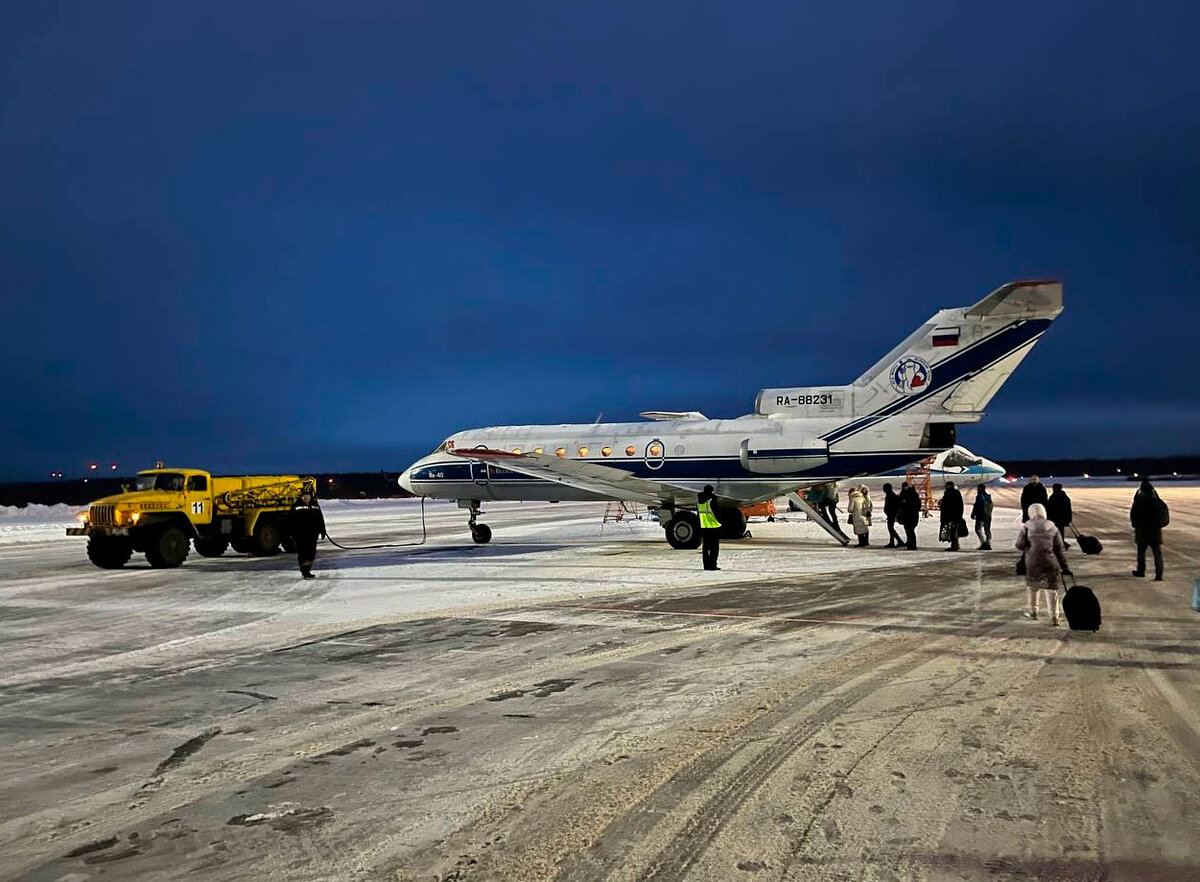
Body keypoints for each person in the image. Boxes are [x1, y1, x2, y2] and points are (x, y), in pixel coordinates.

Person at [1015, 502, 1071, 624]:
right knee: (1052, 589)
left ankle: (1033, 612)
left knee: (1033, 587)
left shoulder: (1027, 527)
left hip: (1033, 562)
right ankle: (1054, 617)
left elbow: (1019, 545)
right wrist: (1065, 567)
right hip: (1050, 562)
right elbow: (1059, 549)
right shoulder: (1052, 527)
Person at [1130, 478, 1167, 580]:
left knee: (1141, 553)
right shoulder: (1156, 501)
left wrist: (1135, 525)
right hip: (1155, 531)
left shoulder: (1139, 502)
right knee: (1157, 553)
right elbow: (1163, 513)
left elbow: (1133, 514)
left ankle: (1141, 571)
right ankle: (1159, 575)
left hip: (1142, 531)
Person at [290, 487, 326, 579]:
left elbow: (320, 519)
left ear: (310, 497)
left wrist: (323, 531)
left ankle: (308, 569)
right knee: (303, 553)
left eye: (307, 496)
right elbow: (291, 521)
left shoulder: (315, 506)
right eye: (304, 496)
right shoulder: (296, 506)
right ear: (301, 497)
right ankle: (304, 570)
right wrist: (292, 533)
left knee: (311, 552)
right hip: (301, 535)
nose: (306, 498)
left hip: (313, 534)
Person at [697, 484, 721, 571]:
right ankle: (713, 565)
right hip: (713, 526)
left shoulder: (699, 501)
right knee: (714, 548)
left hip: (704, 526)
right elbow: (716, 513)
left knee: (706, 547)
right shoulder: (712, 499)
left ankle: (706, 565)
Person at [1045, 483, 1074, 548]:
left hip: (1055, 518)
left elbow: (1049, 508)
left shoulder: (1053, 497)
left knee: (1055, 532)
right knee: (1060, 531)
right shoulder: (1065, 497)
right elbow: (1068, 509)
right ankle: (1061, 543)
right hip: (1062, 518)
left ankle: (1059, 544)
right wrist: (1068, 519)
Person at [940, 481, 964, 551]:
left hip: (952, 516)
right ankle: (955, 544)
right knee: (953, 531)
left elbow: (949, 505)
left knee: (953, 531)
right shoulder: (954, 493)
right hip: (954, 516)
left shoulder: (950, 494)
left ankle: (955, 545)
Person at [899, 481, 922, 550]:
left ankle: (912, 545)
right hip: (909, 515)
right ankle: (910, 543)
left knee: (910, 530)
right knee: (909, 530)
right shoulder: (907, 494)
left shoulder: (911, 495)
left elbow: (916, 505)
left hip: (911, 515)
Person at [971, 485, 994, 550]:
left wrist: (973, 514)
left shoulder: (979, 497)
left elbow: (977, 506)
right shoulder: (988, 497)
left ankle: (983, 543)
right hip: (988, 516)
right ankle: (988, 543)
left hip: (981, 516)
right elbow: (991, 506)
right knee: (987, 530)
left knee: (978, 529)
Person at [882, 483, 903, 548]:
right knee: (890, 528)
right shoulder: (890, 494)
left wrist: (889, 513)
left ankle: (898, 541)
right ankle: (894, 541)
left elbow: (891, 506)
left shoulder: (890, 496)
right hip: (891, 514)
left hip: (891, 514)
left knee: (890, 528)